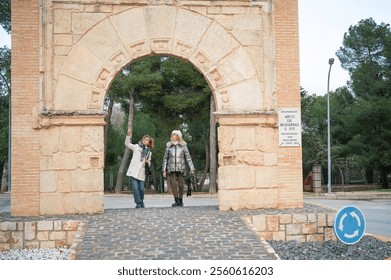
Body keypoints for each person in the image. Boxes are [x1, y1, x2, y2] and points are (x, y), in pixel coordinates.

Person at [162, 130, 195, 207]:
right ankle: (176, 200)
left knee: (181, 185)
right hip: (171, 168)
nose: (172, 136)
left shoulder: (183, 146)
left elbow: (188, 157)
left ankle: (180, 200)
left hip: (181, 168)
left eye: (174, 135)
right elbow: (165, 159)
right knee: (173, 184)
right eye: (172, 134)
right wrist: (163, 170)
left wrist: (192, 168)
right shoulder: (169, 147)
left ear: (178, 136)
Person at [124, 129, 154, 208]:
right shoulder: (136, 147)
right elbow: (127, 144)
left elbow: (149, 162)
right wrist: (128, 135)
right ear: (142, 140)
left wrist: (148, 162)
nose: (146, 140)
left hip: (141, 172)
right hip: (133, 172)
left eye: (147, 140)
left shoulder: (149, 152)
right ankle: (139, 203)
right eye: (145, 139)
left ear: (149, 142)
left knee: (141, 189)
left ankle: (141, 201)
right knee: (135, 189)